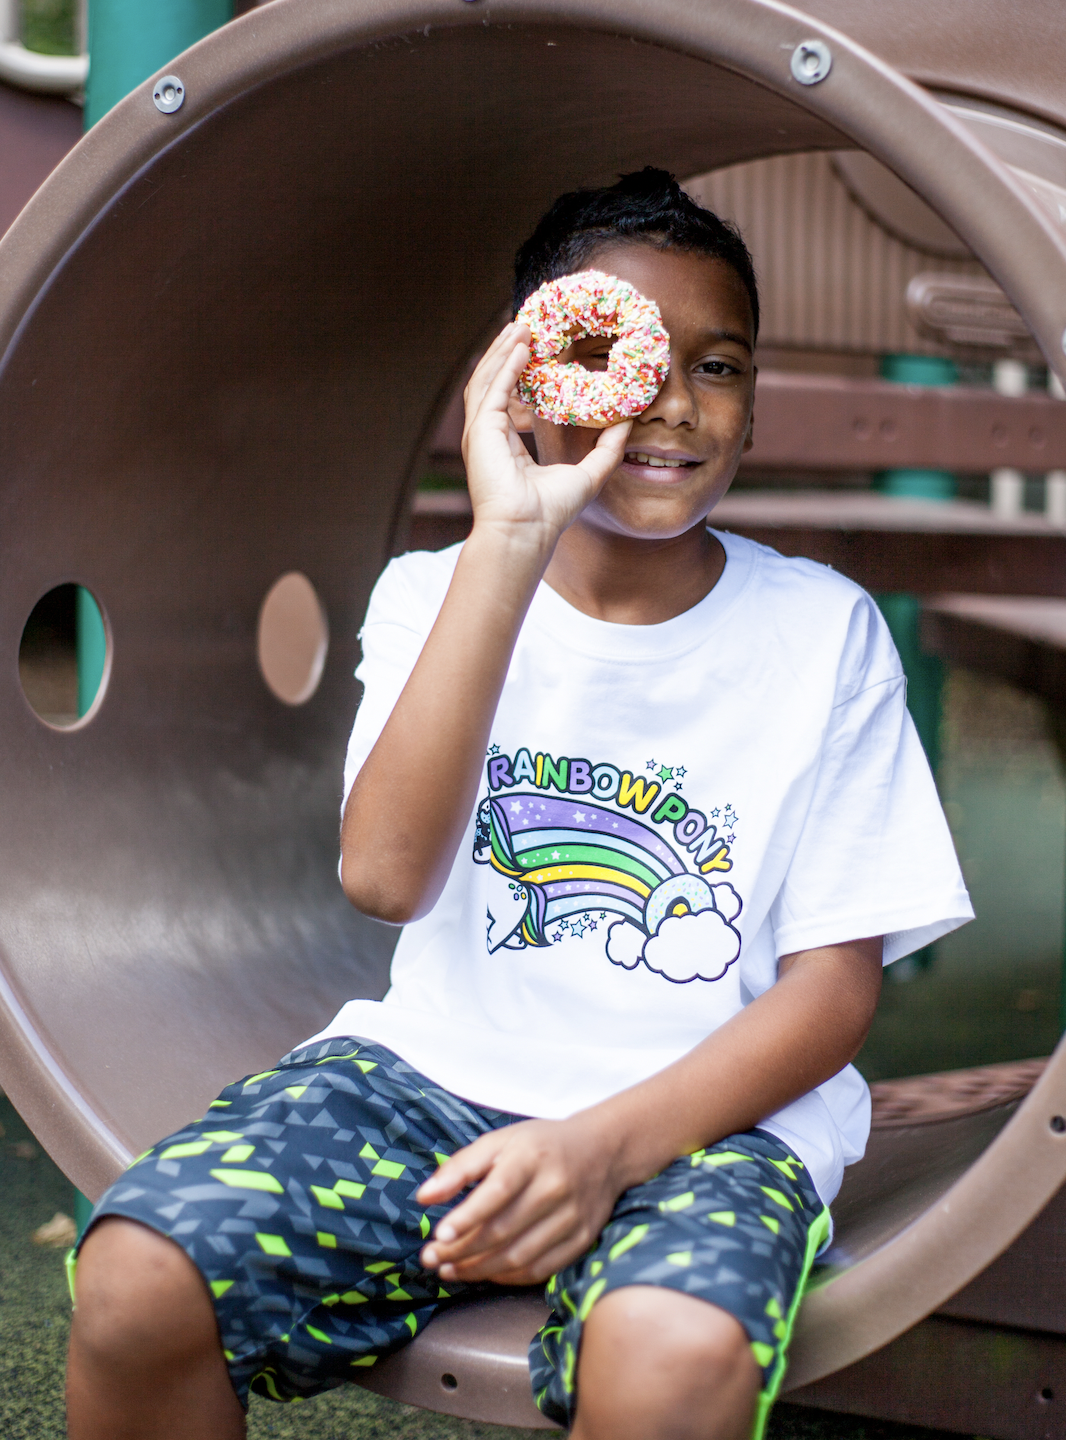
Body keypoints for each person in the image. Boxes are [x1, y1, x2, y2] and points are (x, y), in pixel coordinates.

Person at [66, 169, 972, 1440]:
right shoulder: (431, 591)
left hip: (711, 1118)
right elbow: (385, 878)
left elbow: (832, 993)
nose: (669, 401)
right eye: (613, 353)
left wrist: (603, 1149)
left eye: (719, 367)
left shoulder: (823, 632)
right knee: (135, 1281)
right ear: (523, 379)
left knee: (667, 1358)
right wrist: (508, 544)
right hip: (428, 1082)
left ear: (751, 407)